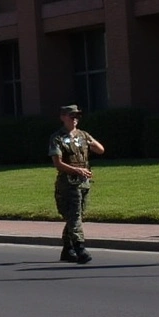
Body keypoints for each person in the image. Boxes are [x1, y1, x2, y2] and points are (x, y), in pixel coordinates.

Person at [49, 104, 105, 264]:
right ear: (63, 117)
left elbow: (101, 150)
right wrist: (77, 170)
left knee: (78, 215)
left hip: (84, 183)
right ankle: (80, 248)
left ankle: (67, 249)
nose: (75, 119)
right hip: (68, 184)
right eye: (71, 116)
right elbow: (58, 163)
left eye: (77, 116)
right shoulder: (57, 138)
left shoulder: (83, 135)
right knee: (74, 216)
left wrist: (89, 141)